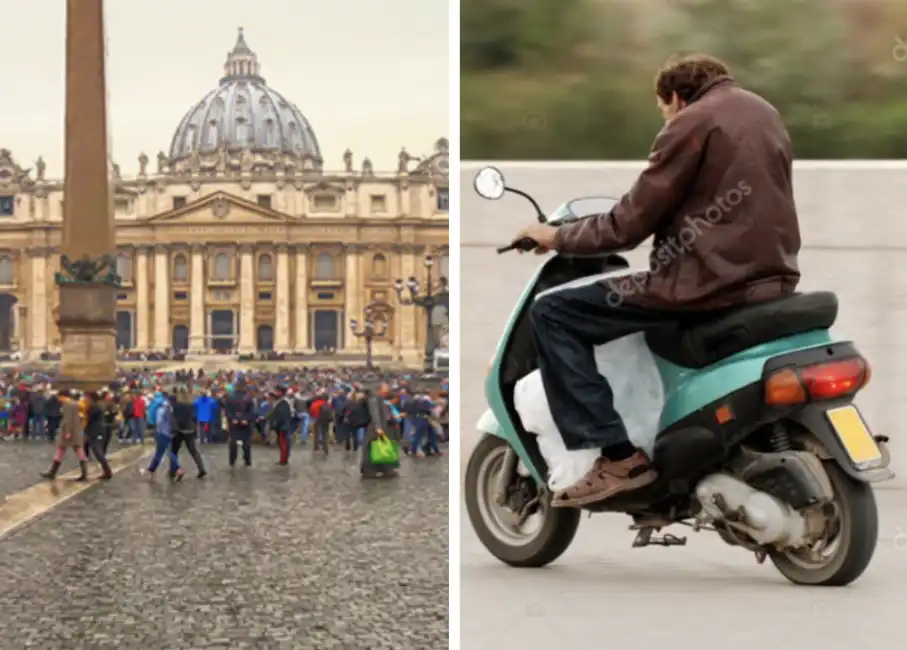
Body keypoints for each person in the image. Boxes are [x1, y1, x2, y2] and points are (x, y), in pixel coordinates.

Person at [510, 53, 801, 508]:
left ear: (676, 96)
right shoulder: (765, 113)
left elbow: (626, 225)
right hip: (773, 278)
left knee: (554, 312)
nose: (664, 118)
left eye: (662, 109)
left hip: (701, 285)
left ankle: (618, 456)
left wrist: (557, 236)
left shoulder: (691, 121)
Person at [40, 389, 91, 481]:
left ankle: (53, 472)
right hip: (76, 430)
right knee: (70, 450)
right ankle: (84, 473)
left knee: (68, 450)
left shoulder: (68, 405)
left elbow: (67, 420)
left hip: (68, 431)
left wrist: (67, 432)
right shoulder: (75, 404)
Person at [142, 387, 183, 481]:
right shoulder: (171, 408)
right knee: (166, 452)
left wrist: (156, 428)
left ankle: (177, 469)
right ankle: (151, 470)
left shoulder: (162, 408)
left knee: (161, 453)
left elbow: (159, 421)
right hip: (170, 433)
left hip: (162, 433)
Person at [360, 384, 400, 478]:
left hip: (381, 426)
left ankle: (385, 469)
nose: (386, 393)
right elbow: (375, 414)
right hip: (375, 428)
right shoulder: (373, 399)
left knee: (383, 447)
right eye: (385, 391)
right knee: (371, 449)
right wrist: (378, 427)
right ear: (379, 390)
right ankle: (369, 471)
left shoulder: (379, 398)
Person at [172, 385, 206, 478]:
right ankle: (201, 468)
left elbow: (174, 417)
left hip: (179, 430)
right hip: (189, 430)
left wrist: (173, 429)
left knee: (174, 451)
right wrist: (194, 430)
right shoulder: (191, 405)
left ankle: (173, 470)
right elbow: (195, 418)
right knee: (193, 451)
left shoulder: (177, 405)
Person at [82, 391, 114, 479]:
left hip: (95, 431)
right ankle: (84, 473)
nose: (85, 399)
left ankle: (107, 471)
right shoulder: (94, 406)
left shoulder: (94, 407)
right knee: (87, 450)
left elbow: (87, 417)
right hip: (93, 431)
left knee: (97, 452)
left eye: (87, 397)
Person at [224, 381, 256, 467]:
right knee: (245, 443)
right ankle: (246, 460)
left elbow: (227, 411)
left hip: (236, 423)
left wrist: (234, 418)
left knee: (235, 443)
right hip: (243, 423)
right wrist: (244, 418)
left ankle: (233, 460)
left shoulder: (231, 397)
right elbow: (252, 411)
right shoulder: (248, 397)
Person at [270, 387, 294, 465]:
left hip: (282, 426)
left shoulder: (283, 403)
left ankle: (283, 460)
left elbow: (281, 415)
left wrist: (275, 423)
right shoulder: (283, 402)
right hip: (283, 425)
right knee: (283, 443)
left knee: (283, 443)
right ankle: (283, 458)